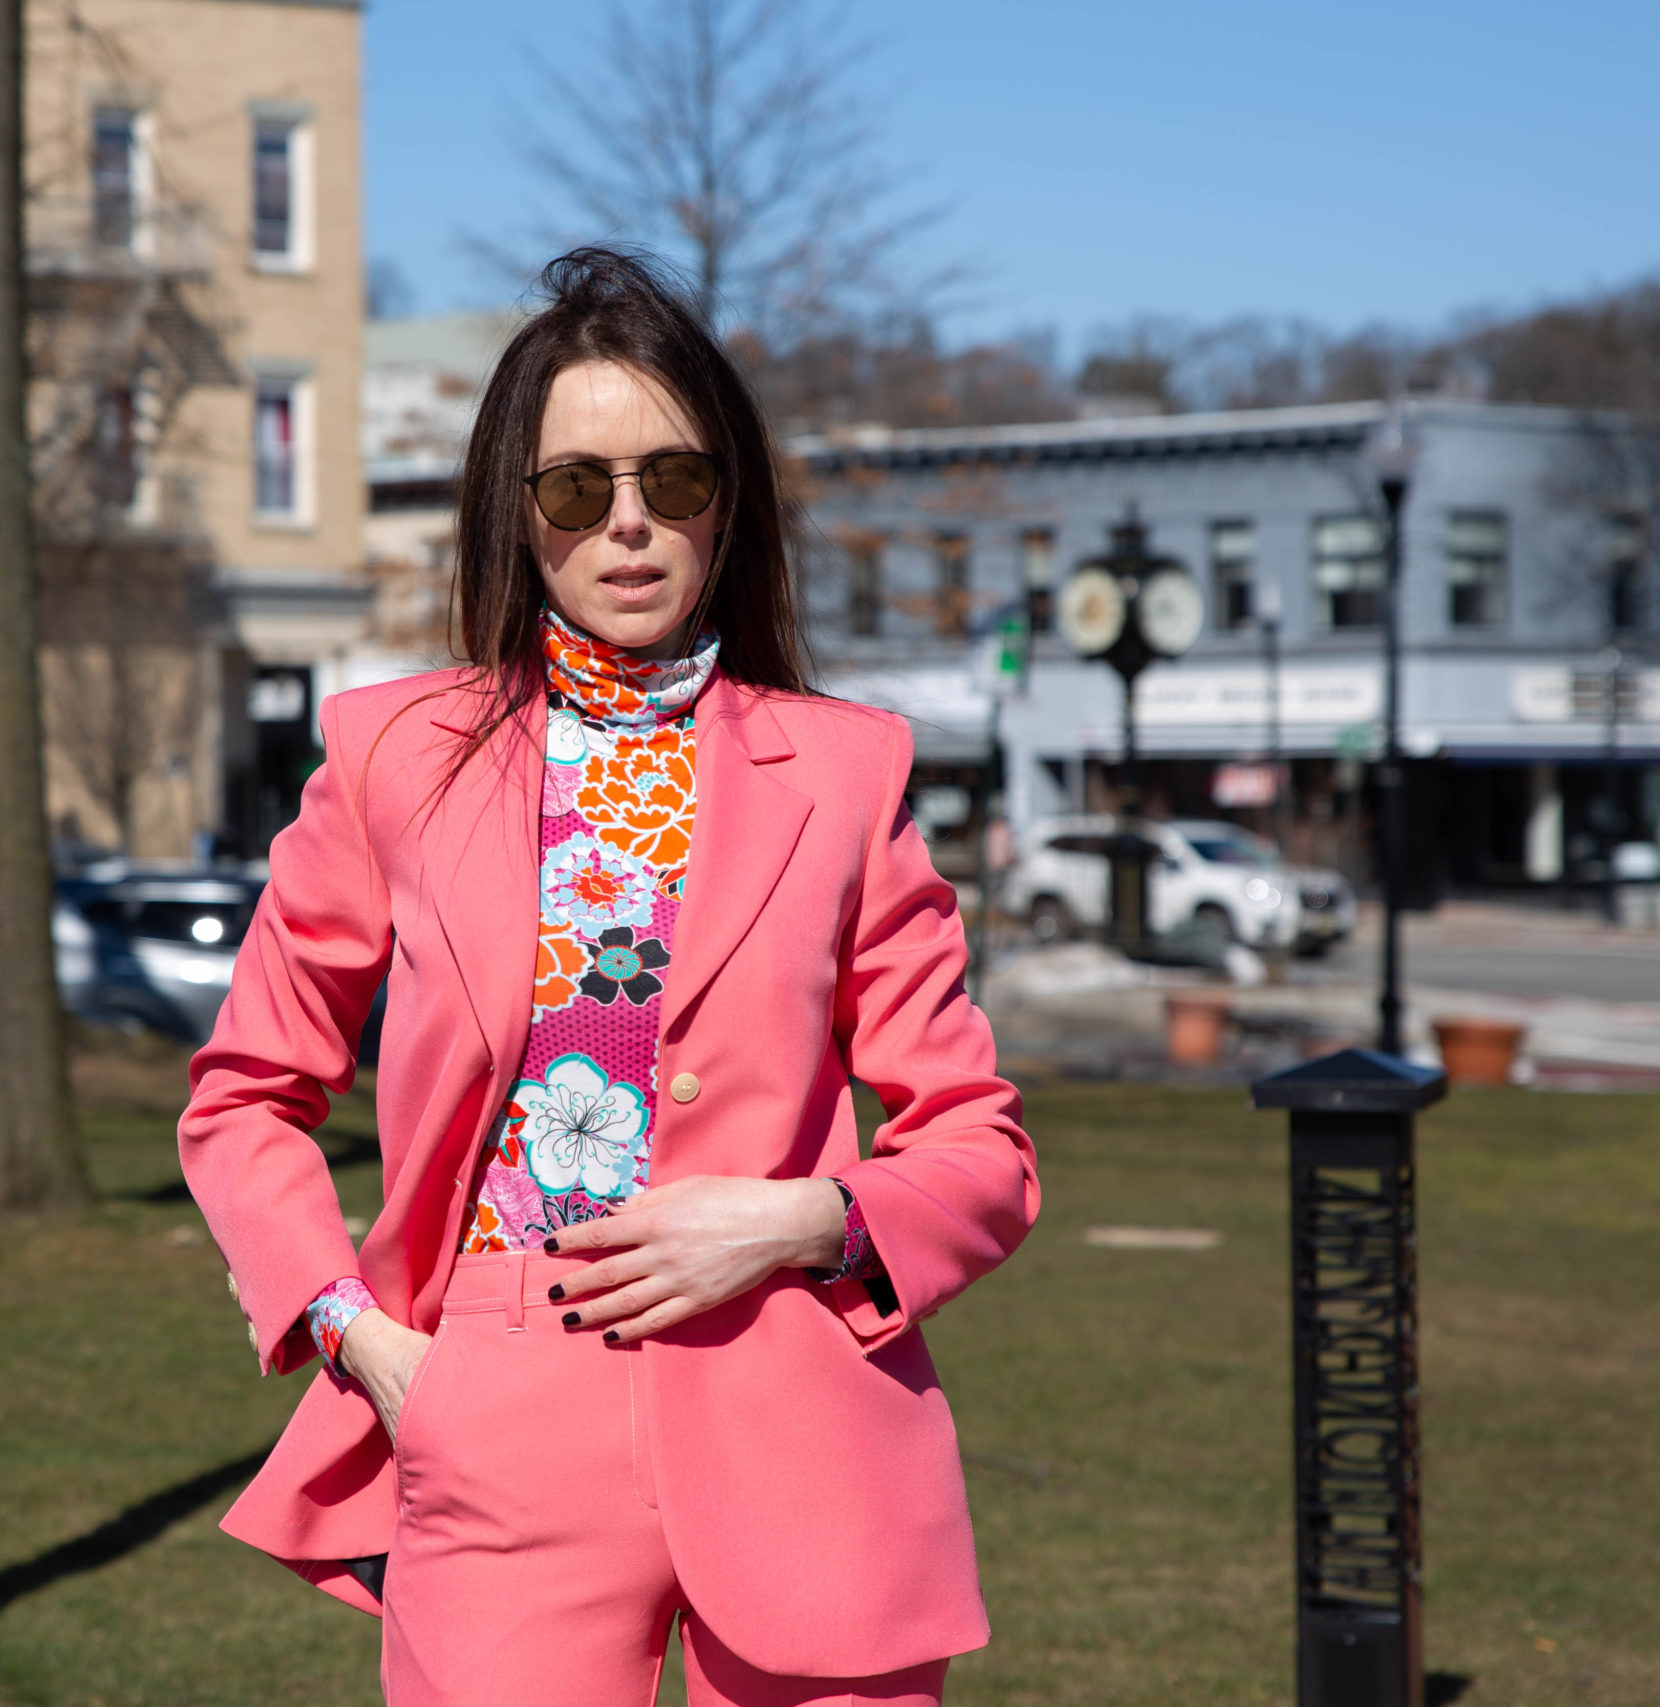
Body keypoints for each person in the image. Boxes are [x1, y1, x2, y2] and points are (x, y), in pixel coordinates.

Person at [178, 247, 1037, 1707]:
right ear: (518, 512)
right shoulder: (394, 754)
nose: (628, 526)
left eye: (675, 482)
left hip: (799, 1399)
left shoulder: (844, 770)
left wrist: (802, 1220)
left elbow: (981, 1150)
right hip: (497, 1402)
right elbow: (246, 1093)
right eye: (577, 487)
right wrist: (362, 1337)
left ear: (729, 504)